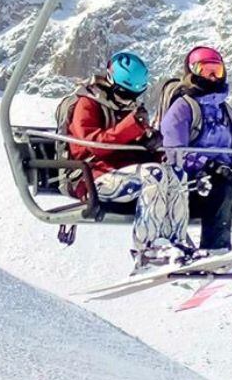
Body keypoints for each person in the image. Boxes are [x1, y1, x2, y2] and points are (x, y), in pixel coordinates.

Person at [62, 50, 190, 269]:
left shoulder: (129, 110)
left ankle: (174, 243)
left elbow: (131, 147)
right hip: (91, 177)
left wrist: (151, 145)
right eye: (123, 93)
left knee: (176, 174)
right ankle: (146, 249)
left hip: (123, 174)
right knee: (154, 175)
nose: (127, 100)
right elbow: (92, 144)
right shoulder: (88, 103)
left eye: (133, 96)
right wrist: (131, 127)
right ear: (111, 82)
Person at [158, 46, 232, 256]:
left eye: (216, 71)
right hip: (192, 181)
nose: (211, 77)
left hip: (227, 175)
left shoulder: (226, 110)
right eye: (205, 70)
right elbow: (174, 151)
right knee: (221, 189)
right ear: (192, 73)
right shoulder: (183, 107)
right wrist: (207, 165)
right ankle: (215, 249)